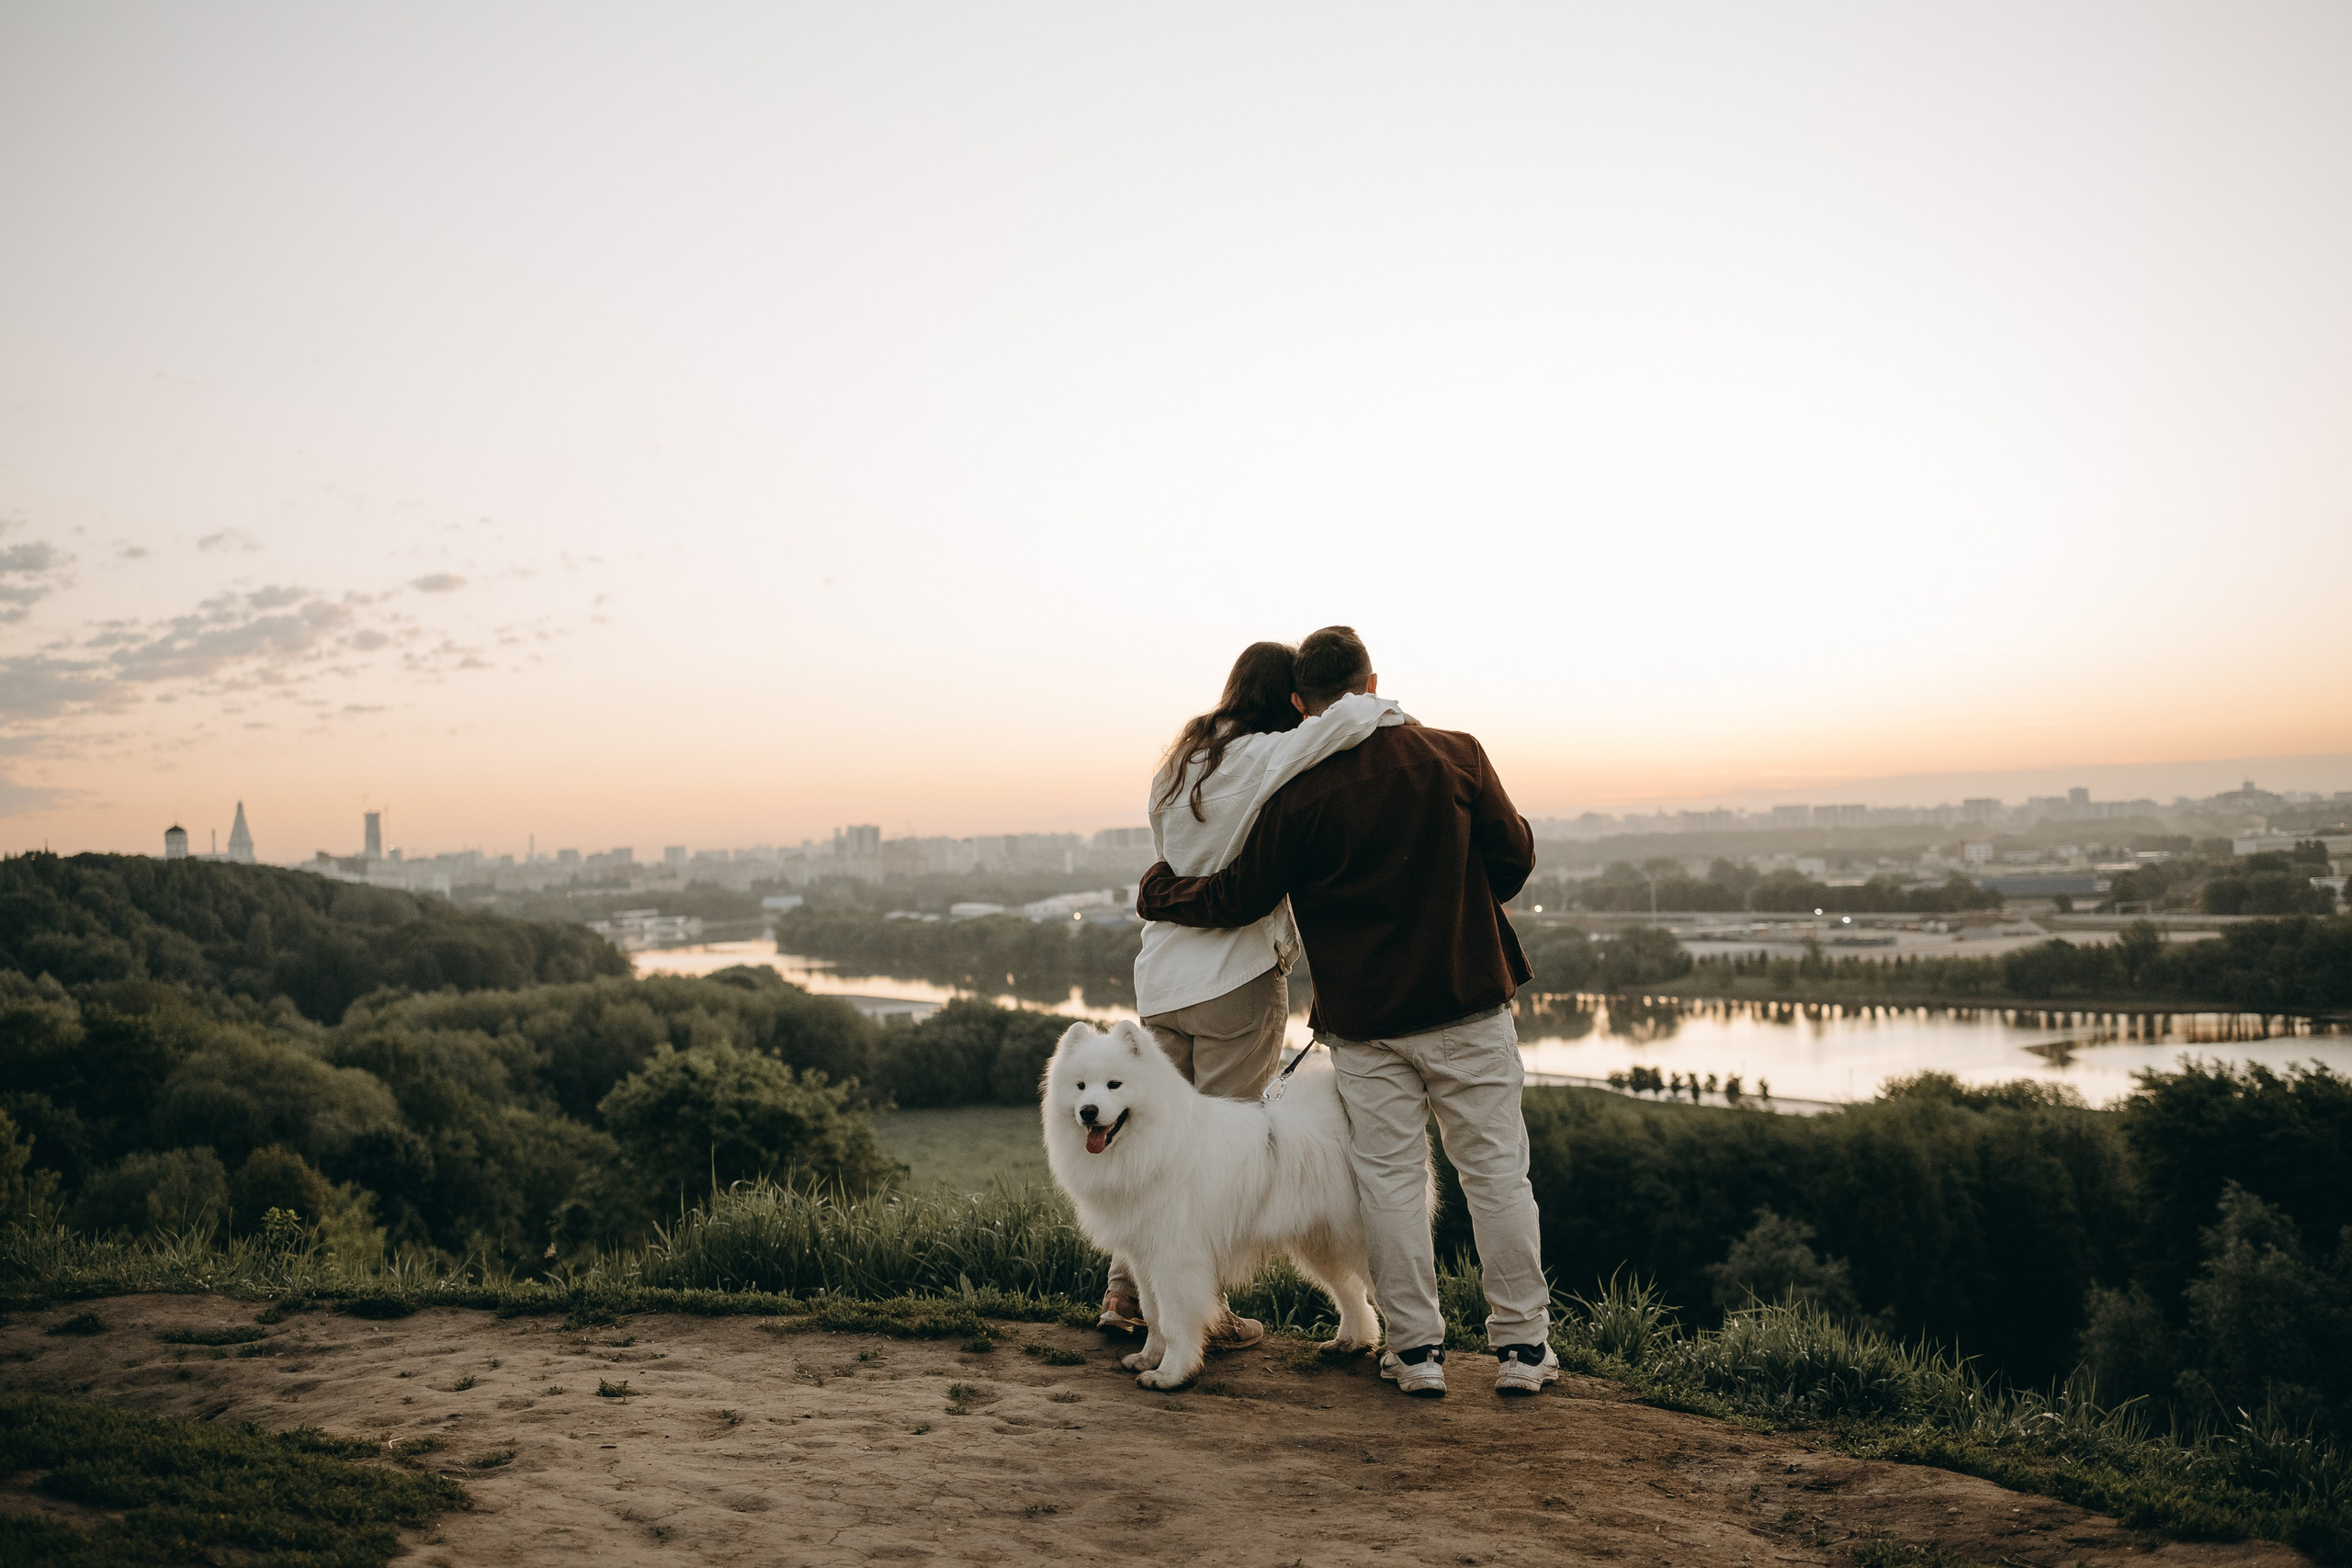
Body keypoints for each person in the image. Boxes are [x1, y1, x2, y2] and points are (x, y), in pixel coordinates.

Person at [1136, 625, 1555, 1398]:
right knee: (1496, 1173)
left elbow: (1240, 896)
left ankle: (1416, 1349)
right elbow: (1514, 860)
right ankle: (1523, 1348)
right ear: (1369, 683)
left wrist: (1159, 891)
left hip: (1366, 1023)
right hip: (1467, 1000)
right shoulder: (1458, 753)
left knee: (1390, 1181)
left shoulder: (1301, 793)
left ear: (1303, 704)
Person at [1102, 639, 1407, 1342]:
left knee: (1146, 1148)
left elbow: (1171, 864)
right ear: (1284, 701)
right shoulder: (1265, 755)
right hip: (1234, 981)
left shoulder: (1177, 768)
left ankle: (1126, 1297)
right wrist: (1375, 695)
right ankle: (1199, 1311)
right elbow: (1345, 722)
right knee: (1220, 1158)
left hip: (1163, 981)